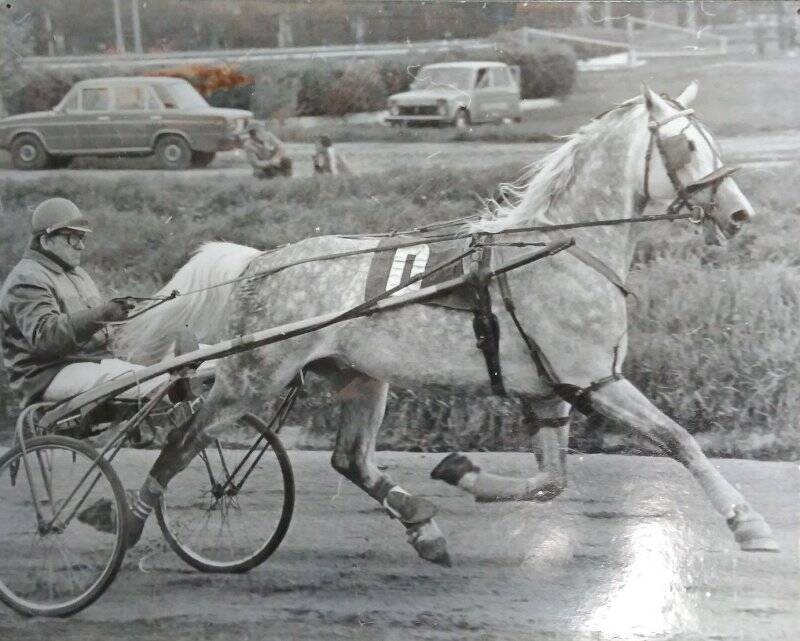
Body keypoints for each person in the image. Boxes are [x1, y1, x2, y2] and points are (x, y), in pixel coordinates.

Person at [0, 198, 158, 410]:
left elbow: (99, 330)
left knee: (165, 370)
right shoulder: (27, 279)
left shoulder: (77, 274)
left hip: (87, 363)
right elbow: (46, 339)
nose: (81, 246)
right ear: (46, 241)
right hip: (46, 375)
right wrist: (102, 314)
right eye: (73, 238)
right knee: (150, 381)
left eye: (82, 238)